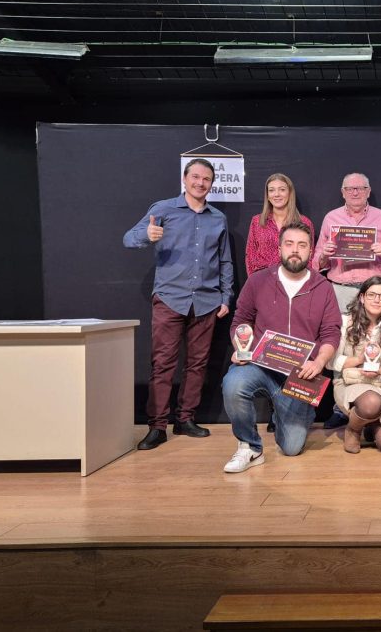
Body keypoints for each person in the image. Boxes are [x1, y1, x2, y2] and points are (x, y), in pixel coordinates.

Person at [123, 158, 233, 450]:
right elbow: (128, 238)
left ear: (212, 184)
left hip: (207, 301)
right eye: (195, 177)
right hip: (170, 299)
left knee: (197, 364)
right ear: (185, 179)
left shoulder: (218, 218)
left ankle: (185, 419)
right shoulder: (163, 209)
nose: (200, 183)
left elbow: (224, 260)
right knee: (163, 364)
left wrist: (226, 296)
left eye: (206, 179)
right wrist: (146, 236)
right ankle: (157, 426)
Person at [221, 222, 342, 473]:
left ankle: (288, 413)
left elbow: (331, 332)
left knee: (292, 448)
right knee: (233, 384)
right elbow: (240, 320)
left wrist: (319, 363)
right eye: (289, 244)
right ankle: (250, 447)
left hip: (300, 375)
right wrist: (241, 346)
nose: (295, 250)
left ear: (311, 251)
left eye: (302, 245)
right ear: (279, 248)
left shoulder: (323, 287)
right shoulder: (258, 281)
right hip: (260, 366)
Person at [331, 276, 381, 455]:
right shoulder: (345, 323)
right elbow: (330, 362)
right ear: (362, 297)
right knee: (371, 402)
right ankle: (353, 429)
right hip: (352, 382)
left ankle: (370, 424)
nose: (377, 300)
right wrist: (359, 359)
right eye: (372, 295)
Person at [312, 172, 381, 311]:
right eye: (350, 189)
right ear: (343, 192)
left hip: (375, 290)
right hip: (340, 290)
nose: (355, 193)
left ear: (368, 192)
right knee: (343, 331)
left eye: (360, 188)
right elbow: (317, 263)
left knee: (377, 331)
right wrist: (324, 255)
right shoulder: (330, 218)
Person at [245, 173, 314, 276]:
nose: (276, 194)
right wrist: (254, 283)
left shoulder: (304, 222)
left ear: (290, 193)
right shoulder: (257, 221)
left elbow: (309, 258)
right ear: (267, 196)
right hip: (263, 281)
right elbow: (250, 255)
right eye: (271, 190)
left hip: (293, 281)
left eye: (282, 189)